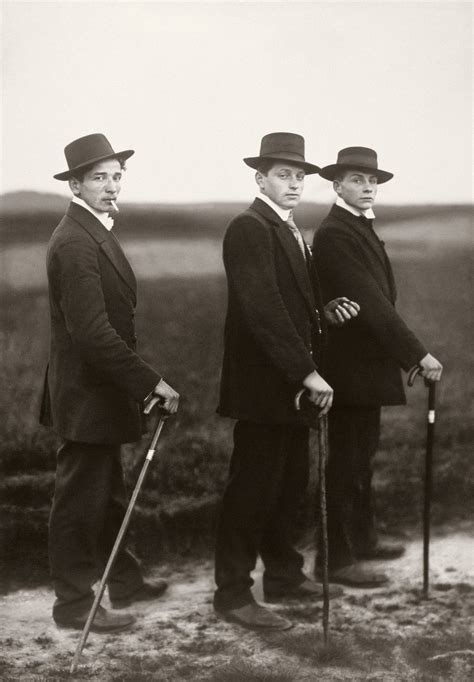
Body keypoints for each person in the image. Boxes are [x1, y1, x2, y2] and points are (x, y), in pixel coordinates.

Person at [214, 132, 360, 630]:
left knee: (289, 484)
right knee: (251, 488)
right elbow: (263, 310)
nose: (294, 183)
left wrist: (324, 311)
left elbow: (292, 304)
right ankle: (232, 594)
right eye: (283, 174)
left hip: (291, 385)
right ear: (261, 178)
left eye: (300, 176)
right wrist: (307, 371)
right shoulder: (248, 227)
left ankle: (283, 574)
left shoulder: (289, 228)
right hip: (263, 387)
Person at [40, 133, 179, 632]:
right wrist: (150, 383)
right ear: (75, 183)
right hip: (86, 393)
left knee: (108, 490)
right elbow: (93, 334)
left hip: (99, 391)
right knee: (79, 501)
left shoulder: (91, 228)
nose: (111, 185)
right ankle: (74, 606)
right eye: (99, 177)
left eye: (117, 176)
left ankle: (123, 580)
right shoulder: (76, 239)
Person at [312, 146, 443, 587]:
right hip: (349, 368)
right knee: (347, 461)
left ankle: (363, 539)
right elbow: (370, 302)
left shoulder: (356, 227)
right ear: (337, 185)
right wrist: (416, 354)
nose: (367, 187)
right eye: (356, 180)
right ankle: (334, 558)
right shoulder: (335, 234)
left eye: (372, 181)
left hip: (366, 365)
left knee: (361, 457)